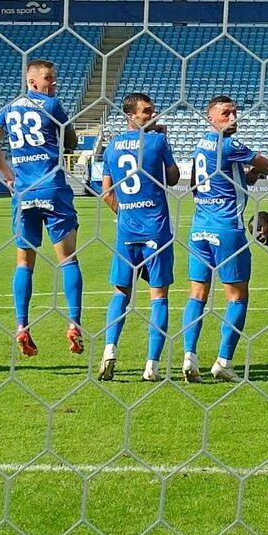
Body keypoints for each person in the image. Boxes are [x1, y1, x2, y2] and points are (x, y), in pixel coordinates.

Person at [0, 59, 82, 358]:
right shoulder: (51, 105)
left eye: (54, 78)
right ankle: (74, 323)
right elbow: (72, 142)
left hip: (24, 193)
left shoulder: (10, 109)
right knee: (68, 260)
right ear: (32, 81)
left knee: (24, 263)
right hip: (52, 187)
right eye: (49, 78)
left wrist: (8, 175)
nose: (54, 83)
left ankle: (22, 325)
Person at [181, 95, 268, 383]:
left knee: (197, 294)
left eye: (234, 112)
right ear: (211, 118)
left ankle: (189, 357)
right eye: (225, 113)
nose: (233, 117)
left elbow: (201, 183)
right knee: (237, 297)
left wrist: (245, 178)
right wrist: (257, 170)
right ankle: (223, 360)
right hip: (227, 230)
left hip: (199, 228)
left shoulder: (200, 145)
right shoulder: (230, 144)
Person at [98, 93, 181, 382]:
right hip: (155, 229)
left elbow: (106, 191)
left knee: (121, 292)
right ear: (131, 115)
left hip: (126, 231)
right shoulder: (156, 141)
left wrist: (125, 213)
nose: (152, 114)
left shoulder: (111, 147)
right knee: (158, 295)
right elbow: (172, 177)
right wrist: (164, 141)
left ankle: (109, 350)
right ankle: (152, 365)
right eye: (147, 111)